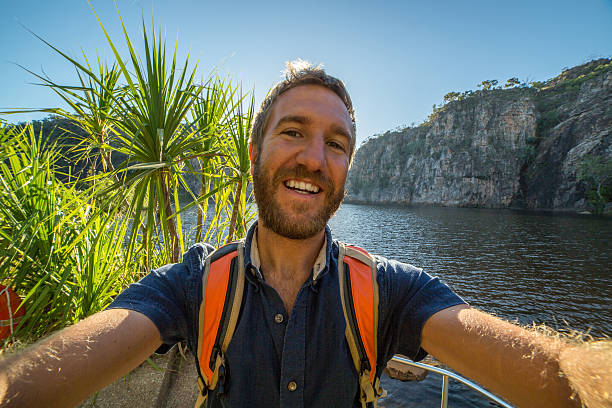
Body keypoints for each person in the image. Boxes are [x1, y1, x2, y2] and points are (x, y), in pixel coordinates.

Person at [0, 60, 608, 408]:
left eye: (336, 144)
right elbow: (37, 381)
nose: (315, 159)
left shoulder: (390, 291)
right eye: (293, 132)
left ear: (346, 168)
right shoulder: (194, 285)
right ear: (253, 151)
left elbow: (557, 375)